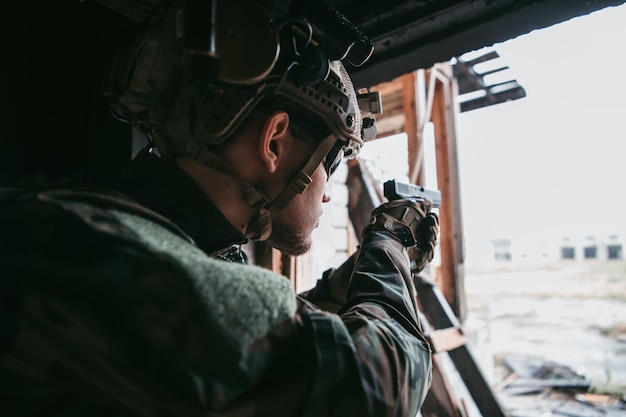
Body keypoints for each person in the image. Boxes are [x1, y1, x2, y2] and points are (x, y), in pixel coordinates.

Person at [0, 0, 439, 416]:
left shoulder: (105, 233)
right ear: (274, 142)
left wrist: (345, 284)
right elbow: (381, 390)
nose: (326, 192)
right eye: (332, 159)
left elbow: (253, 339)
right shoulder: (111, 254)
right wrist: (391, 241)